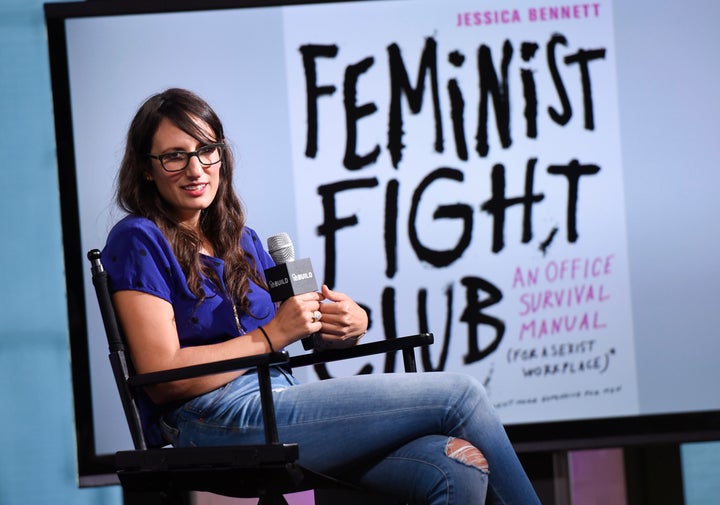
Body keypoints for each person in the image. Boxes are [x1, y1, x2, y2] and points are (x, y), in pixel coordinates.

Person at [102, 87, 542, 505]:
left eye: (206, 150)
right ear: (147, 167)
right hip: (213, 418)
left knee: (456, 467)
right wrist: (273, 336)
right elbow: (162, 377)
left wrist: (345, 328)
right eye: (175, 157)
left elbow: (296, 329)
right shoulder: (138, 238)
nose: (196, 169)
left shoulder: (243, 240)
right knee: (459, 396)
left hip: (278, 401)